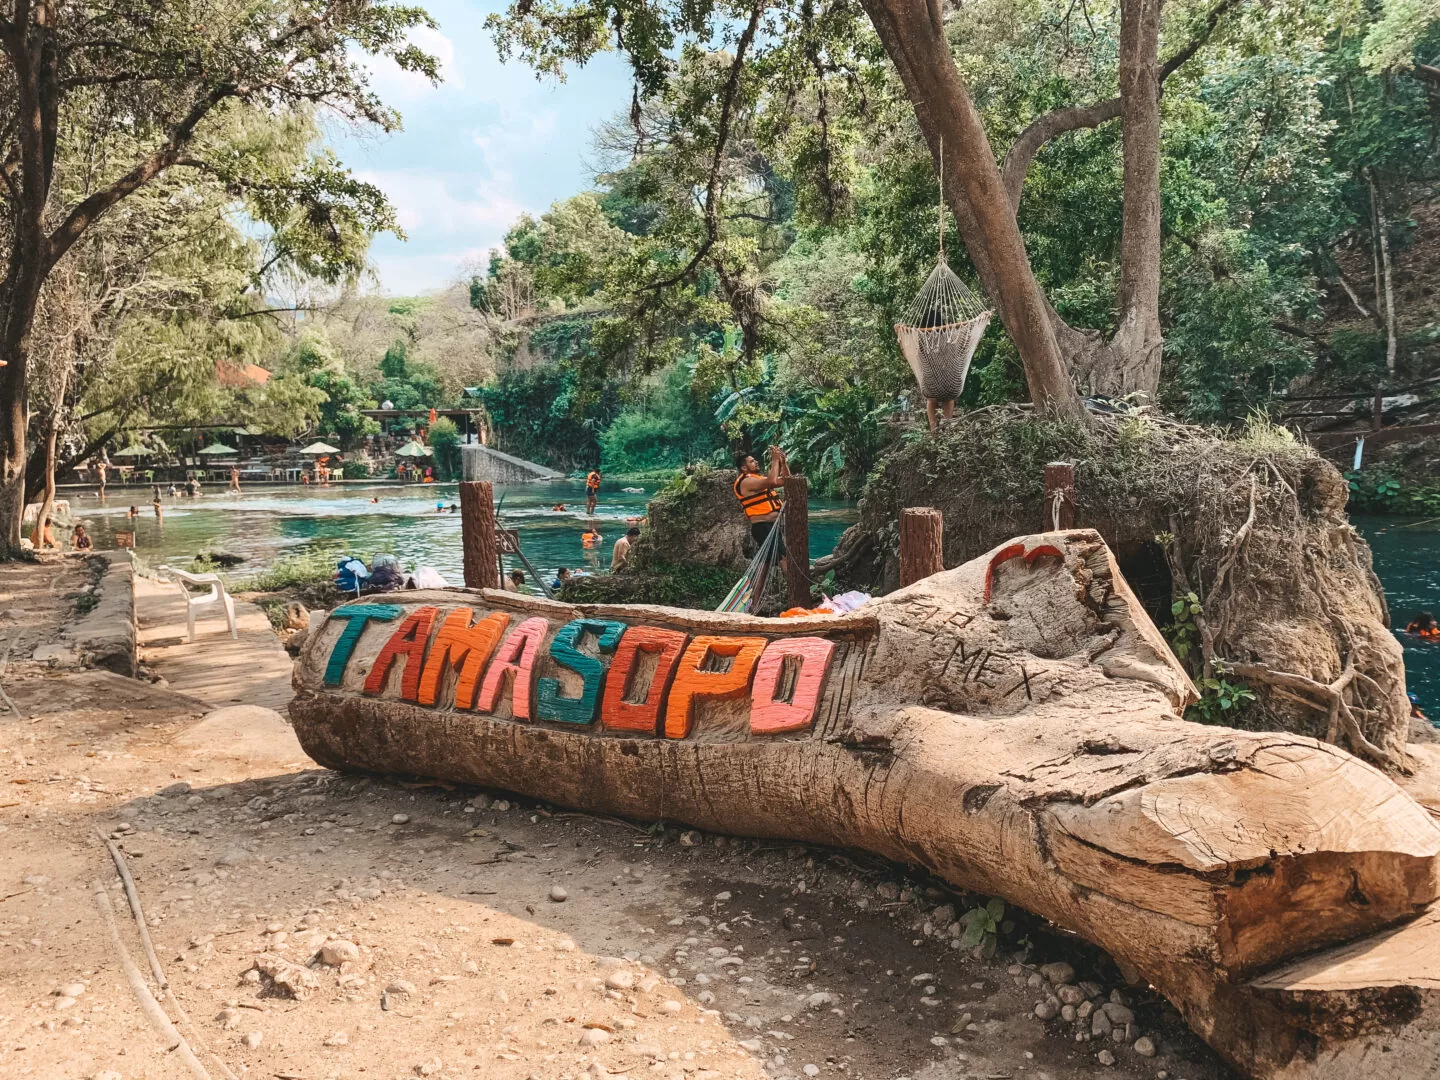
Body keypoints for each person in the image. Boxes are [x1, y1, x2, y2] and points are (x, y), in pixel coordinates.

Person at [733, 446, 788, 560]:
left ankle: (756, 579)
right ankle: (794, 578)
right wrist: (774, 460)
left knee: (766, 562)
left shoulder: (757, 479)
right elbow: (772, 481)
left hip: (771, 526)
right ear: (744, 467)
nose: (756, 462)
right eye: (752, 461)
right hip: (763, 526)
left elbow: (786, 480)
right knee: (783, 559)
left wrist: (783, 463)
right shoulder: (747, 481)